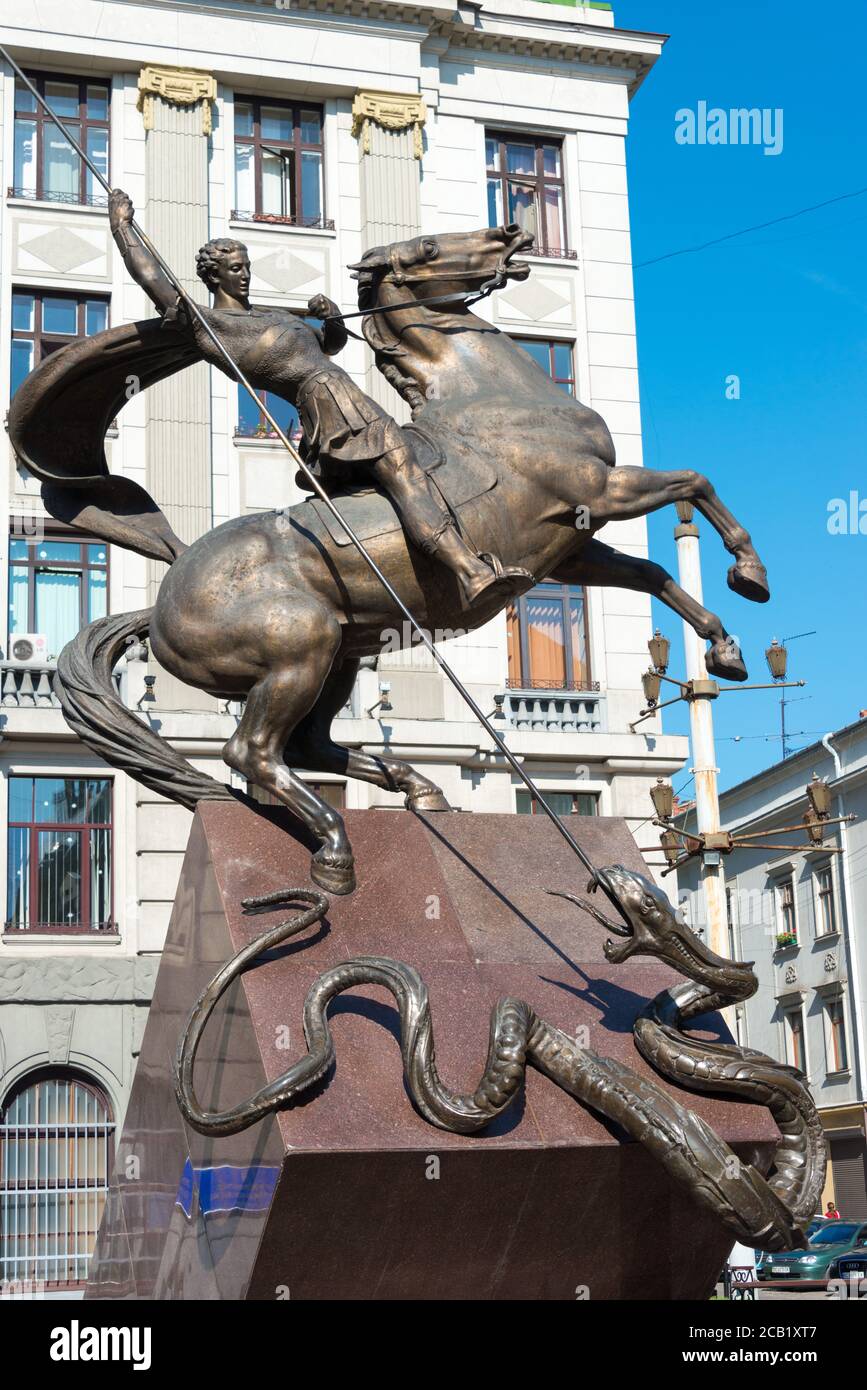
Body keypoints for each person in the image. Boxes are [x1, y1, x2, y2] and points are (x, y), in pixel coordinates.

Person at [108, 189, 532, 607]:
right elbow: (154, 280)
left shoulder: (272, 317)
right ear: (213, 276)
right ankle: (469, 572)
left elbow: (327, 346)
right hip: (328, 406)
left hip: (342, 394)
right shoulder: (209, 324)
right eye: (234, 268)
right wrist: (123, 227)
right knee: (407, 476)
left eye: (246, 266)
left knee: (407, 475)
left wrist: (329, 319)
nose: (244, 275)